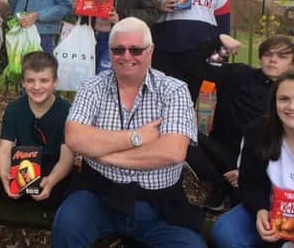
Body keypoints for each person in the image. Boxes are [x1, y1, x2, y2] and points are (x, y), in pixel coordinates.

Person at [52, 17, 206, 248]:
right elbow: (75, 137)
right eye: (118, 49)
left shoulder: (174, 90)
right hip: (99, 194)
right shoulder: (92, 87)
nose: (126, 56)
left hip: (159, 203)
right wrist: (136, 137)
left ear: (150, 51)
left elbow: (172, 152)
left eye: (135, 50)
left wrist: (104, 154)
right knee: (67, 224)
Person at [186, 35, 294, 212]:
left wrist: (248, 171)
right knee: (182, 137)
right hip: (220, 151)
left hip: (261, 160)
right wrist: (220, 45)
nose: (273, 60)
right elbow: (200, 66)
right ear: (260, 58)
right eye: (268, 54)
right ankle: (220, 184)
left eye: (282, 57)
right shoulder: (239, 74)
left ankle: (238, 189)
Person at [212, 69, 294, 248]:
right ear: (274, 102)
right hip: (270, 207)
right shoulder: (257, 132)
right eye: (284, 99)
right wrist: (260, 209)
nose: (292, 107)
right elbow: (248, 183)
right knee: (226, 232)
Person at [0, 52, 74, 208]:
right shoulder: (14, 109)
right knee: (2, 189)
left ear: (55, 82)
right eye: (30, 81)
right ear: (23, 82)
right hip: (24, 163)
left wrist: (51, 181)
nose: (37, 87)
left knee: (60, 193)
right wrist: (4, 173)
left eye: (44, 80)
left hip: (53, 164)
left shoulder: (66, 111)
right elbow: (4, 148)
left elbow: (67, 157)